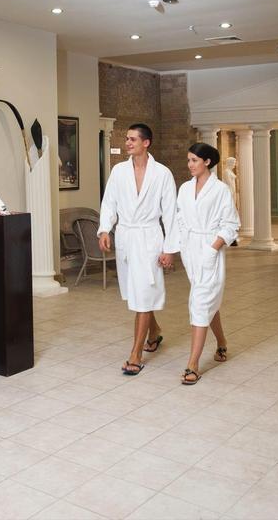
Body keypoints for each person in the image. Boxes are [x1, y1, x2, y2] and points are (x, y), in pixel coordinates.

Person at [98, 123, 176, 375]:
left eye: (132, 139)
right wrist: (104, 229)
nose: (128, 143)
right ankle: (154, 331)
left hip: (150, 238)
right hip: (126, 237)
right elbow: (109, 202)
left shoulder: (162, 174)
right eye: (127, 139)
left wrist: (170, 249)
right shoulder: (119, 171)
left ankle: (135, 354)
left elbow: (171, 214)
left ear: (146, 143)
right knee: (137, 292)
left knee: (143, 293)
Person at [160, 143, 239, 385]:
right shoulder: (184, 188)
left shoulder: (221, 190)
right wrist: (174, 248)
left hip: (209, 249)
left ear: (207, 162)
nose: (190, 165)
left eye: (194, 160)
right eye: (188, 160)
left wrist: (211, 249)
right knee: (205, 300)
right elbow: (178, 220)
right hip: (190, 249)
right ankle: (222, 343)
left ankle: (193, 364)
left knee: (200, 301)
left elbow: (231, 224)